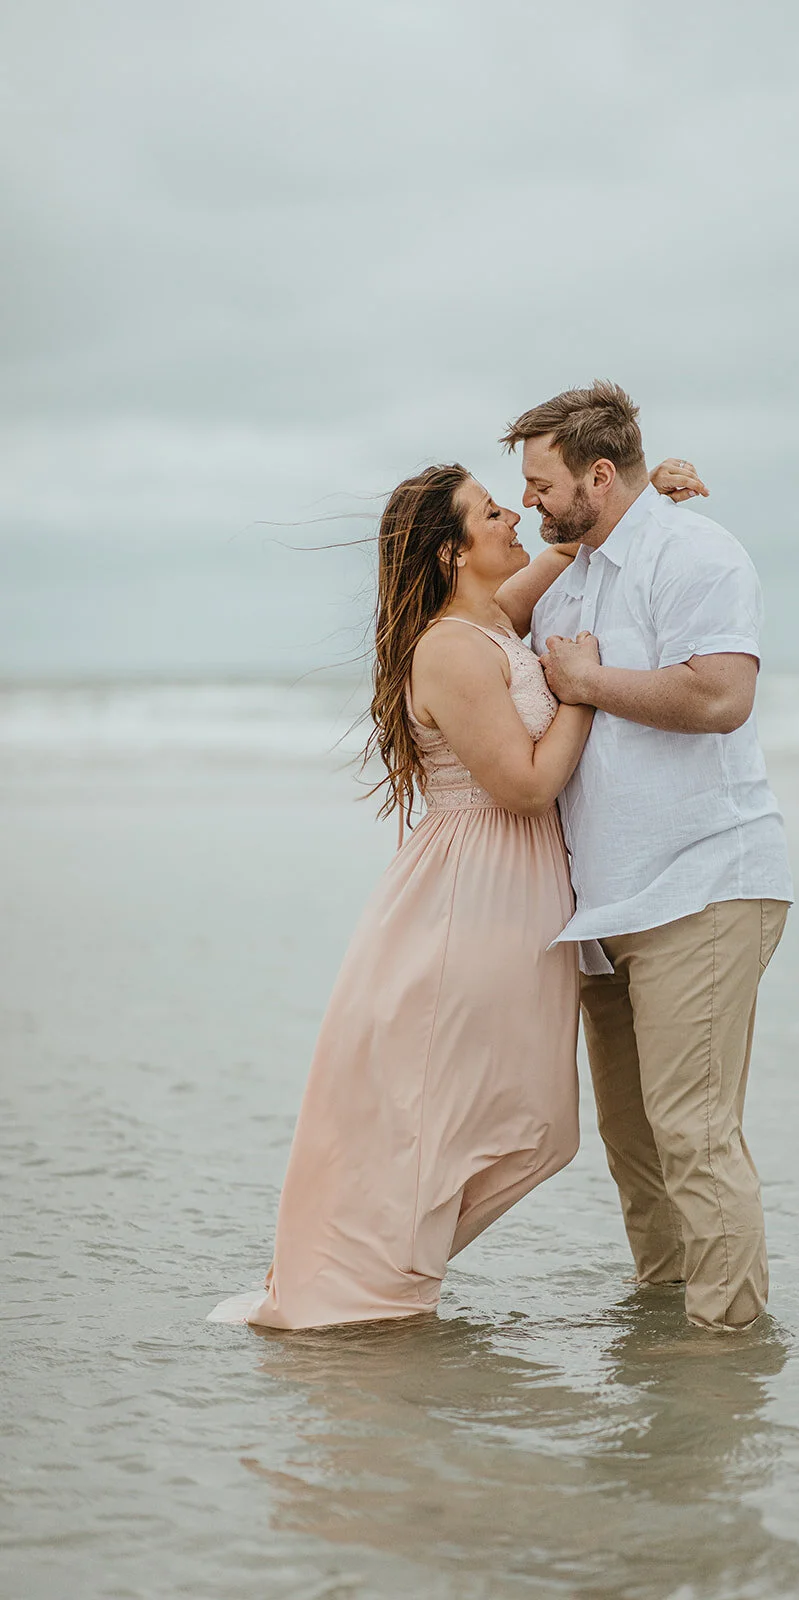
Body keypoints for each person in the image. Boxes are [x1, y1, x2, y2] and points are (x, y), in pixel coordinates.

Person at [209, 452, 701, 1329]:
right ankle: (368, 1283)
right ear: (450, 551)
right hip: (471, 893)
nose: (513, 517)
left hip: (515, 890)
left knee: (535, 1126)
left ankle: (381, 1270)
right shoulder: (447, 649)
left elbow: (568, 547)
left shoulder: (494, 622)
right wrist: (581, 690)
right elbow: (525, 786)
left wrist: (636, 496)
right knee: (454, 1107)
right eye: (490, 513)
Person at [502, 380, 794, 1333]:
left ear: (598, 475)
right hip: (603, 907)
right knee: (633, 1146)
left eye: (540, 484)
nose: (526, 503)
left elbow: (719, 697)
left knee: (693, 1135)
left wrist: (591, 680)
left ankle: (724, 1353)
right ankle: (668, 1334)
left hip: (701, 883)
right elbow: (490, 628)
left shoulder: (695, 552)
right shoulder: (570, 576)